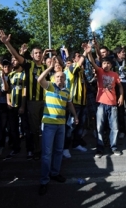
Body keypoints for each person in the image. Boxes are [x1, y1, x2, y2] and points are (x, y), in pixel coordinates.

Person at [0, 30, 46, 160]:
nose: (38, 54)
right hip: (33, 102)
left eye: (40, 52)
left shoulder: (47, 66)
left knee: (47, 127)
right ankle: (36, 150)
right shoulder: (29, 65)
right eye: (35, 53)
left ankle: (47, 149)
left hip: (47, 101)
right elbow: (16, 56)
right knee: (34, 129)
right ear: (31, 55)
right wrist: (7, 44)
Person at [37, 58, 78, 195]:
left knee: (58, 151)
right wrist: (50, 67)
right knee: (47, 154)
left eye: (62, 77)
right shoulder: (49, 86)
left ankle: (55, 173)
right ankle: (44, 180)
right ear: (54, 78)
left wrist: (75, 116)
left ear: (65, 79)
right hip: (49, 125)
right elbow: (39, 79)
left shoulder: (66, 91)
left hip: (61, 125)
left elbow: (70, 104)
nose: (60, 78)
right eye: (58, 77)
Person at [85, 43, 124, 158]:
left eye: (108, 63)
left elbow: (120, 86)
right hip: (101, 104)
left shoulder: (115, 74)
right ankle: (100, 149)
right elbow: (92, 62)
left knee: (114, 128)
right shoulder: (100, 71)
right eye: (104, 63)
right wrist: (88, 52)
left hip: (113, 104)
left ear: (111, 65)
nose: (106, 65)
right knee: (99, 128)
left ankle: (114, 147)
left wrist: (121, 96)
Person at [5, 56, 27, 159]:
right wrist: (8, 101)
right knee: (13, 128)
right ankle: (16, 147)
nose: (13, 62)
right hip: (12, 105)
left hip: (22, 105)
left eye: (15, 60)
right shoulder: (11, 74)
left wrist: (22, 106)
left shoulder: (25, 74)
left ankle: (29, 149)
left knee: (26, 127)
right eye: (12, 60)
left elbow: (24, 90)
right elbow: (8, 90)